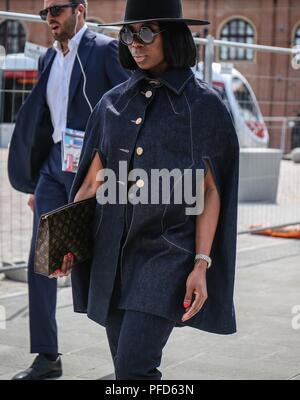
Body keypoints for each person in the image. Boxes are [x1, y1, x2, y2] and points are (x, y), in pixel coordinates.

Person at [54, 0, 240, 380]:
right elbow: (91, 183)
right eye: (128, 33)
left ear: (171, 36)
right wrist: (65, 242)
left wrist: (201, 264)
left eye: (145, 32)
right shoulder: (112, 103)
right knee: (128, 369)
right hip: (111, 258)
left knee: (134, 367)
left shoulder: (204, 106)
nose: (135, 43)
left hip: (166, 256)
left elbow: (209, 191)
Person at [8, 0, 128, 380]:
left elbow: (127, 108)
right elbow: (45, 120)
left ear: (80, 9)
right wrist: (35, 183)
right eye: (45, 13)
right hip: (53, 170)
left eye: (56, 9)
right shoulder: (47, 58)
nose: (49, 19)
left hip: (94, 171)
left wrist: (111, 167)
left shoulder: (104, 50)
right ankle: (47, 356)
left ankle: (128, 363)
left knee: (105, 261)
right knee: (41, 261)